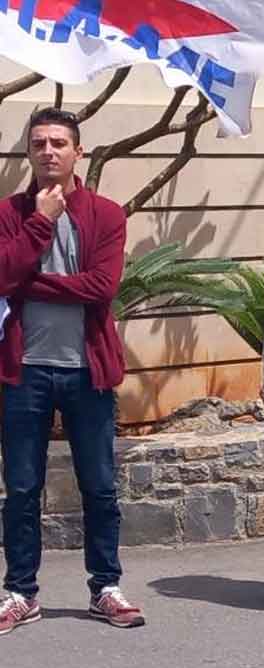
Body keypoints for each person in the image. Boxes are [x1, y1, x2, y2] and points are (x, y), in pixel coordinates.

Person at [0, 108, 144, 635]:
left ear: (77, 152)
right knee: (21, 488)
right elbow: (1, 275)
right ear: (29, 152)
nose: (48, 151)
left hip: (87, 370)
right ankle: (21, 592)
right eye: (39, 143)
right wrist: (39, 222)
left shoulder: (106, 214)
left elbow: (101, 288)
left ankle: (105, 587)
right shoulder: (10, 212)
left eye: (59, 142)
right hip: (24, 370)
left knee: (100, 487)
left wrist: (30, 283)